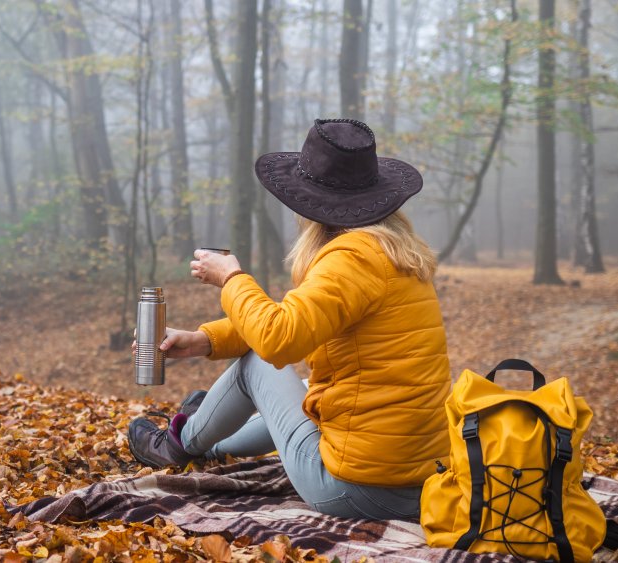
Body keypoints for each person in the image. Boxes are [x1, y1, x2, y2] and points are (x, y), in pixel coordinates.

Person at [127, 118, 451, 520]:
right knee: (301, 386)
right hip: (415, 483)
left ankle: (177, 443)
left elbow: (277, 338)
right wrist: (203, 340)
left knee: (258, 364)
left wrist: (231, 278)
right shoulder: (393, 254)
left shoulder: (352, 258)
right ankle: (207, 438)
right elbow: (297, 318)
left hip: (356, 490)